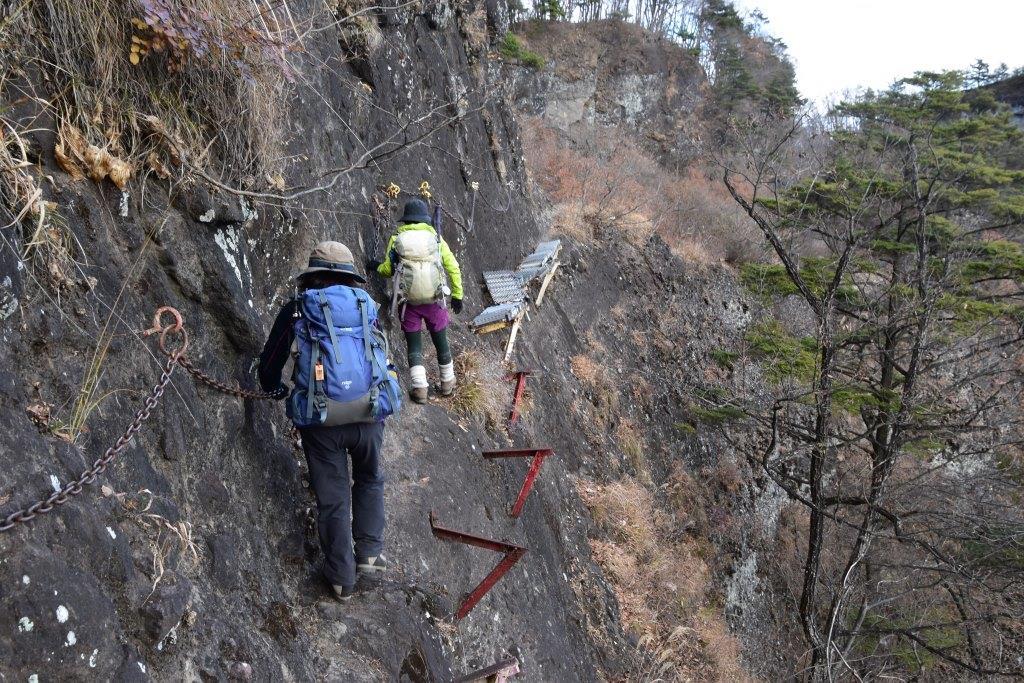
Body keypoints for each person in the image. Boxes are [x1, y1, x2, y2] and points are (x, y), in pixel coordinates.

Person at [258, 241, 400, 601]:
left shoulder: (298, 309)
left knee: (333, 497)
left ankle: (342, 578)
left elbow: (270, 364)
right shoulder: (366, 307)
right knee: (370, 477)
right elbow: (379, 355)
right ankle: (369, 553)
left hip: (321, 421)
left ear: (313, 273)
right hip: (369, 415)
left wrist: (274, 389)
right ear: (349, 276)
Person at [367, 198, 464, 404]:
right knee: (441, 342)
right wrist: (457, 295)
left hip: (409, 303)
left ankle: (420, 389)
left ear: (406, 220)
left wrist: (375, 266)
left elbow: (388, 269)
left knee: (414, 346)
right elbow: (453, 267)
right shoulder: (436, 239)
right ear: (424, 219)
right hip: (435, 301)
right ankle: (447, 384)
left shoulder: (397, 238)